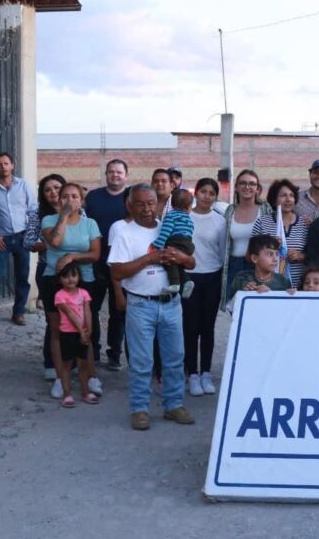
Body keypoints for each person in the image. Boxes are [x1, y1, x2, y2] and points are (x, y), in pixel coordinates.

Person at [108, 183, 196, 431]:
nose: (147, 209)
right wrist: (150, 258)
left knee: (175, 357)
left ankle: (173, 405)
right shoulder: (125, 233)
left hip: (171, 303)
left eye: (151, 203)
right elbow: (116, 271)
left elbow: (191, 261)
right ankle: (140, 409)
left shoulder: (168, 226)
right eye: (140, 203)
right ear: (130, 205)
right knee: (142, 360)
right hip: (141, 304)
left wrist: (181, 258)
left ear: (158, 203)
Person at [41, 183, 102, 401]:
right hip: (53, 279)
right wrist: (64, 216)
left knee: (86, 326)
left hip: (84, 279)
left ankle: (91, 375)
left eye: (75, 196)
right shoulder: (49, 221)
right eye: (65, 196)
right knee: (58, 329)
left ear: (81, 200)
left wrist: (72, 257)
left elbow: (95, 254)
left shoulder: (90, 224)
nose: (70, 200)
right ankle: (60, 377)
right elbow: (56, 241)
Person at [0, 152, 37, 327]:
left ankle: (18, 312)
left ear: (12, 165)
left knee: (22, 276)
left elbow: (33, 209)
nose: (3, 167)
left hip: (22, 236)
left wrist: (30, 235)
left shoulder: (24, 185)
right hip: (1, 239)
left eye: (6, 163)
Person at [182, 178, 227, 397]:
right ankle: (192, 374)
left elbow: (222, 251)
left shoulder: (220, 221)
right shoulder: (185, 217)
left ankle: (206, 373)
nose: (207, 196)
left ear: (215, 197)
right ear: (196, 193)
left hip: (212, 276)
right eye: (203, 191)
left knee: (207, 328)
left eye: (211, 193)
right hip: (189, 277)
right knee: (190, 328)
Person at [84, 159, 129, 370]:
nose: (115, 175)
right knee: (91, 308)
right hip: (96, 261)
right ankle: (93, 352)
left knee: (118, 311)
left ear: (126, 175)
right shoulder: (93, 197)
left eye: (119, 172)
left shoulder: (131, 198)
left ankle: (115, 354)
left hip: (122, 263)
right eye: (111, 172)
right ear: (106, 174)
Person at [25, 174, 65, 381]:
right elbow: (29, 243)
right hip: (48, 271)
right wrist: (55, 242)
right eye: (47, 189)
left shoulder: (79, 212)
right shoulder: (37, 215)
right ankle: (50, 362)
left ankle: (73, 361)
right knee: (54, 320)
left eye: (57, 187)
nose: (53, 192)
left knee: (76, 316)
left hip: (74, 271)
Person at [53, 264, 98, 407]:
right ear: (60, 279)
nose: (70, 279)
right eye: (65, 276)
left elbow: (88, 312)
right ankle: (67, 394)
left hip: (83, 333)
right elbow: (70, 313)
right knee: (66, 365)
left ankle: (85, 392)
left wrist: (89, 330)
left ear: (79, 277)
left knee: (83, 364)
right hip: (68, 334)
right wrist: (82, 331)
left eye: (73, 275)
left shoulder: (84, 293)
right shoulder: (60, 296)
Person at [251, 179, 310, 288]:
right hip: (269, 286)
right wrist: (268, 246)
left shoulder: (305, 224)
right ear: (274, 200)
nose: (288, 199)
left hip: (299, 286)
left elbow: (316, 255)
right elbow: (250, 255)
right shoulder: (262, 222)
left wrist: (301, 256)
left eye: (291, 195)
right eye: (283, 195)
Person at [222, 169, 270, 298]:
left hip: (258, 266)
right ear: (236, 187)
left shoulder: (266, 209)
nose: (247, 187)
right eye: (242, 183)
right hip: (234, 265)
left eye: (252, 184)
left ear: (258, 189)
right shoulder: (230, 210)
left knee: (258, 304)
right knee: (233, 306)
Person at [151, 189, 195, 296]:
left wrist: (157, 244)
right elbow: (190, 231)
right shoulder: (189, 219)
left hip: (176, 241)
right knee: (178, 265)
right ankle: (187, 281)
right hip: (188, 244)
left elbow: (166, 231)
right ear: (189, 207)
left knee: (170, 261)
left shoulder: (171, 216)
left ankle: (175, 284)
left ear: (171, 204)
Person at [228, 235, 293, 299]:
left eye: (276, 254)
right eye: (270, 254)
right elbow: (231, 305)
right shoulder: (241, 278)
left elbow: (287, 306)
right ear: (254, 258)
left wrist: (292, 295)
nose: (275, 259)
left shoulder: (283, 281)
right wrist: (245, 293)